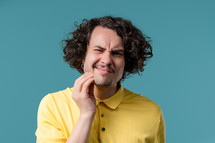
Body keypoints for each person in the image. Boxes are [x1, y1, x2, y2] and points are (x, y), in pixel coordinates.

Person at [35, 16, 165, 143]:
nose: (107, 60)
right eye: (98, 50)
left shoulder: (151, 112)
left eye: (116, 53)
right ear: (82, 56)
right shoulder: (53, 105)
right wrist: (86, 115)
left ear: (127, 62)